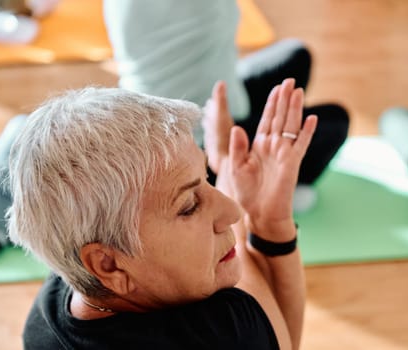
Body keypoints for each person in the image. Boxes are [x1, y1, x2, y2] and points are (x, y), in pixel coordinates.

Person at [7, 78, 316, 349]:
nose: (231, 212)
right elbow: (279, 338)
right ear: (108, 263)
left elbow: (274, 336)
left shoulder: (51, 308)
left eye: (205, 177)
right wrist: (265, 219)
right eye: (189, 206)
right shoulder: (220, 335)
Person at [103, 0, 349, 211]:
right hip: (196, 147)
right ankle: (251, 192)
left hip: (172, 110)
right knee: (335, 122)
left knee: (296, 56)